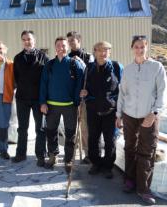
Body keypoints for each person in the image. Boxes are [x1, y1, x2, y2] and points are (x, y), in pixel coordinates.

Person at [116, 35, 167, 205]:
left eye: (142, 46)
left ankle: (144, 189)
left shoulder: (156, 67)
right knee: (130, 148)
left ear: (146, 48)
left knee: (147, 151)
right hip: (130, 115)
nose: (139, 49)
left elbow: (163, 92)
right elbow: (122, 93)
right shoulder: (128, 70)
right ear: (132, 48)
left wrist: (154, 113)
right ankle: (129, 181)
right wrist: (119, 115)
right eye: (136, 47)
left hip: (149, 116)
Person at [39, 36, 84, 173]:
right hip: (52, 105)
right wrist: (42, 102)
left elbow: (79, 83)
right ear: (55, 47)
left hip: (69, 105)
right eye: (58, 45)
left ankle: (68, 159)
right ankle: (53, 156)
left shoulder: (73, 64)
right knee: (51, 132)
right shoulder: (50, 65)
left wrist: (77, 101)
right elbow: (43, 84)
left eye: (63, 45)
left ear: (67, 47)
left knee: (70, 134)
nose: (61, 48)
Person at [80, 41, 123, 179]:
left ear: (109, 52)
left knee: (110, 140)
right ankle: (96, 163)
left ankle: (107, 166)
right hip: (93, 109)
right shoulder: (89, 68)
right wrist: (84, 93)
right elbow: (84, 87)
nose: (102, 53)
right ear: (95, 51)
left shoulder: (116, 67)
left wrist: (120, 112)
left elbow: (122, 90)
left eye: (106, 50)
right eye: (99, 50)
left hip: (110, 110)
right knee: (93, 138)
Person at [12, 30, 49, 167]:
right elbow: (16, 77)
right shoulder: (17, 58)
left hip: (38, 99)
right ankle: (21, 154)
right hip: (22, 98)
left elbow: (47, 79)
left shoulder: (43, 57)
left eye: (29, 39)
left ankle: (40, 155)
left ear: (34, 40)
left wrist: (44, 99)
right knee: (22, 128)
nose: (27, 41)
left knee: (40, 128)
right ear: (22, 41)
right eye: (24, 39)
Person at [67, 30, 94, 164]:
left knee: (85, 127)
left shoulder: (88, 56)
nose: (71, 43)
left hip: (84, 98)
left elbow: (92, 74)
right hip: (72, 98)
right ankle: (70, 152)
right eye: (69, 41)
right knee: (72, 126)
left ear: (79, 40)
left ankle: (88, 153)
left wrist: (81, 63)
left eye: (73, 40)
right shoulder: (67, 57)